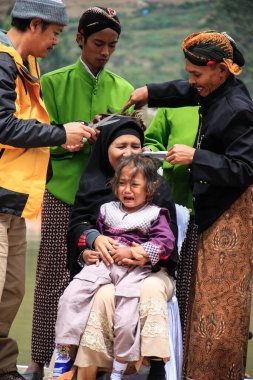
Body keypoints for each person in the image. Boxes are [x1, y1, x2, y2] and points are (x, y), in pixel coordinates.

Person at [122, 30, 253, 380]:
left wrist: (197, 157)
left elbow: (243, 169)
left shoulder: (239, 109)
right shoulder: (215, 89)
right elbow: (187, 89)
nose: (192, 81)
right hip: (213, 209)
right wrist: (150, 92)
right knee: (201, 299)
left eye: (197, 74)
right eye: (189, 73)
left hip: (232, 215)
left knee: (220, 306)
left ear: (221, 70)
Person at [25, 7, 136, 379]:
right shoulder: (53, 83)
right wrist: (69, 138)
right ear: (80, 40)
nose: (105, 52)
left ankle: (92, 364)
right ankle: (40, 361)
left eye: (112, 46)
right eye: (98, 44)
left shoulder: (122, 89)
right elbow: (39, 140)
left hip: (107, 201)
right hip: (61, 194)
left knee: (102, 280)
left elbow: (132, 143)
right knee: (53, 277)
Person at [0, 1, 96, 379]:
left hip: (16, 199)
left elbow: (26, 126)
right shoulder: (3, 63)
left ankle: (5, 368)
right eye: (55, 34)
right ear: (36, 25)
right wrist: (61, 133)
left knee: (11, 294)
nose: (57, 42)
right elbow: (3, 125)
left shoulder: (27, 65)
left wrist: (62, 137)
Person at [67, 116, 179, 380]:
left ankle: (156, 369)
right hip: (107, 271)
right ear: (105, 148)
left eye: (135, 145)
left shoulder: (157, 189)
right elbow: (78, 226)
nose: (129, 152)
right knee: (103, 295)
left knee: (150, 289)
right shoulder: (94, 185)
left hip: (150, 272)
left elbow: (167, 241)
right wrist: (93, 241)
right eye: (121, 146)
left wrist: (140, 255)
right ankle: (90, 370)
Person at [143, 106, 199, 342]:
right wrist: (152, 152)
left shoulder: (234, 108)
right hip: (173, 208)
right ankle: (168, 358)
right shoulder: (174, 105)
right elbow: (153, 141)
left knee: (201, 291)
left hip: (215, 210)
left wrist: (197, 157)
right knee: (172, 284)